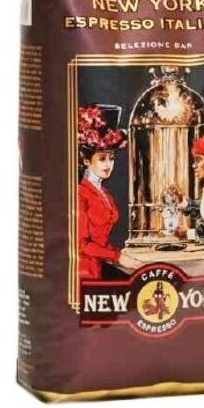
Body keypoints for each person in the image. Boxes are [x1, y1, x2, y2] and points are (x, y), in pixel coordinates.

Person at [76, 104, 128, 280]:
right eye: (102, 159)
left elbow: (102, 241)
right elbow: (82, 244)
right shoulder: (80, 193)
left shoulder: (105, 193)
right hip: (84, 269)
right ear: (86, 160)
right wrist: (117, 256)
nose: (108, 164)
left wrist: (121, 254)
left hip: (101, 265)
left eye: (111, 158)